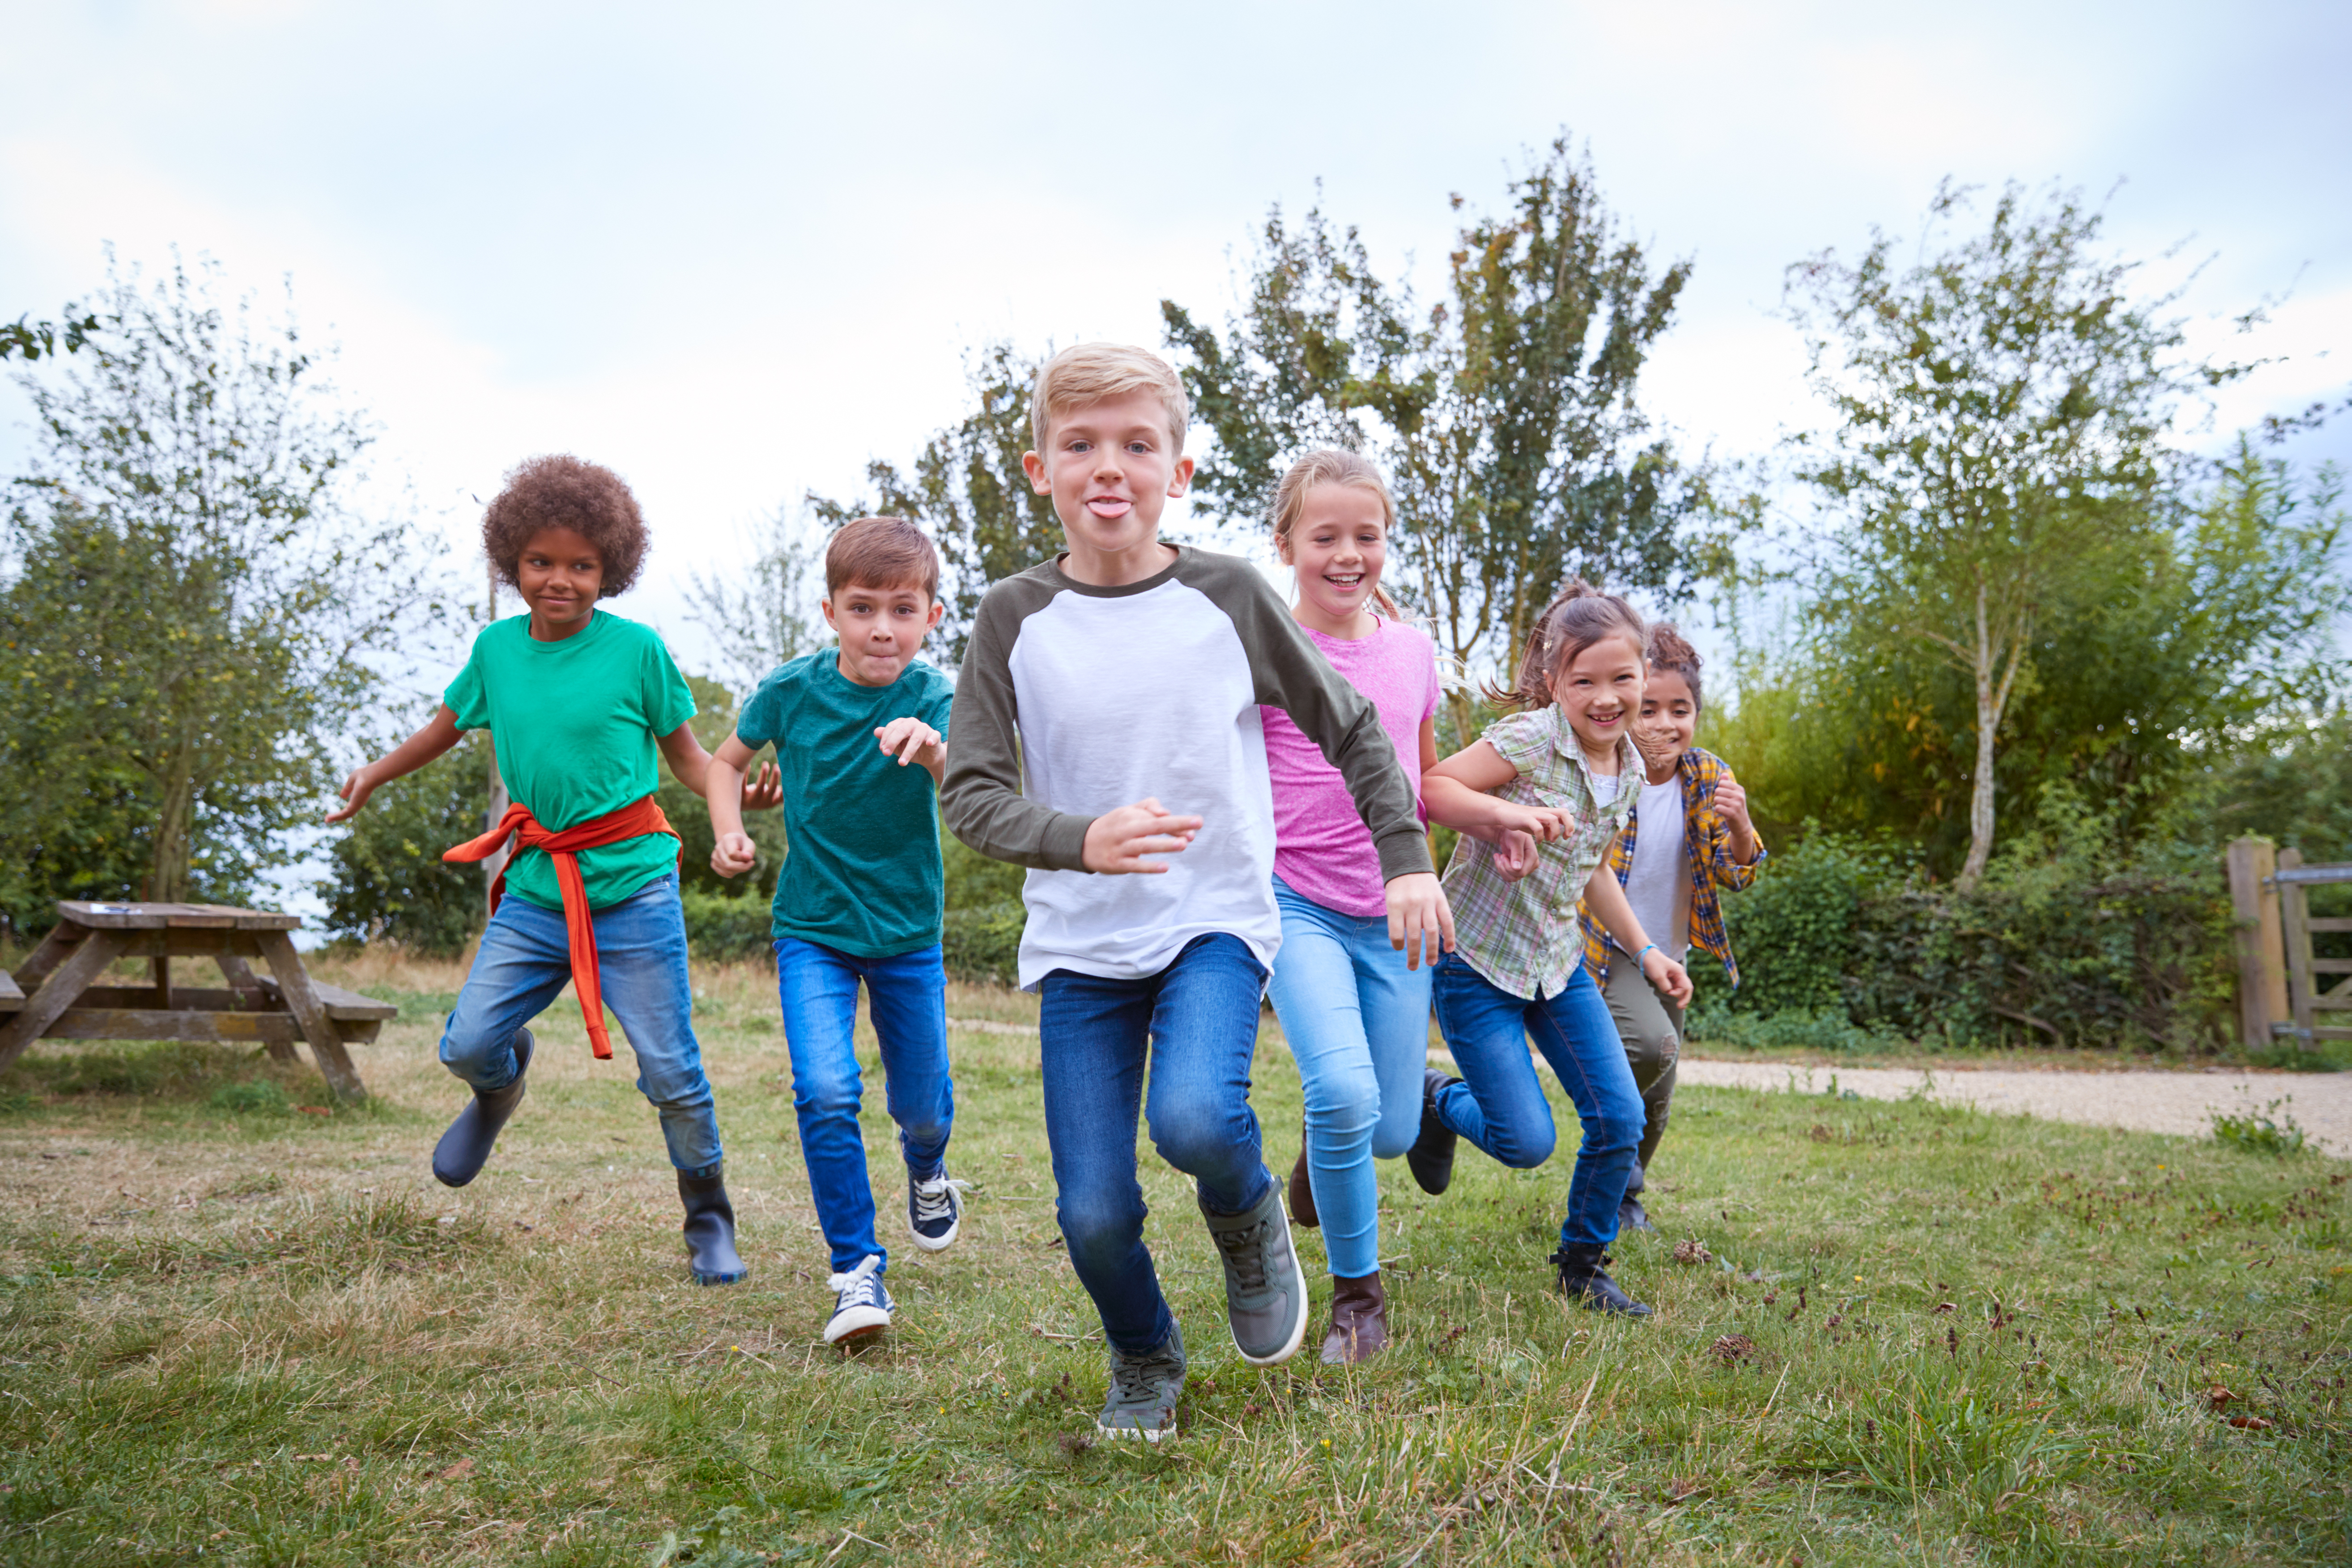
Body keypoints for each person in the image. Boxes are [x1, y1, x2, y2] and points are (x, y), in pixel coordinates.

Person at [940, 344, 1451, 1442]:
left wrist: (1407, 857)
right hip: (1083, 947)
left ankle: (1248, 1211)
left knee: (1193, 1118)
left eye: (1137, 443)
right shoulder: (1010, 617)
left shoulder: (1227, 596)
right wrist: (1080, 837)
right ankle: (1143, 1354)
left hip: (1212, 919)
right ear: (1041, 470)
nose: (1108, 467)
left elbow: (1352, 730)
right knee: (1091, 1212)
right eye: (1080, 445)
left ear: (1178, 469)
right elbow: (973, 796)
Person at [326, 454, 779, 1286]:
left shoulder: (638, 650)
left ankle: (708, 1214)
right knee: (466, 1042)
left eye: (581, 565)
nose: (559, 579)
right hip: (537, 886)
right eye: (541, 561)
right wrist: (373, 774)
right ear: (512, 562)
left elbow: (687, 758)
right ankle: (499, 1090)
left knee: (672, 1070)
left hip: (634, 884)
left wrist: (736, 796)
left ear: (611, 569)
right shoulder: (497, 650)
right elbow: (443, 726)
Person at [704, 516, 964, 1347]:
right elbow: (724, 762)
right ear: (830, 612)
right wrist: (727, 831)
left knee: (921, 1107)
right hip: (811, 926)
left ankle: (927, 1170)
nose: (881, 628)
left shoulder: (934, 697)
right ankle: (855, 1268)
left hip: (906, 930)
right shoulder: (792, 690)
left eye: (902, 609)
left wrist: (931, 752)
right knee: (823, 1088)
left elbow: (975, 785)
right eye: (862, 608)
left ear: (929, 615)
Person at [1414, 579, 1692, 1317]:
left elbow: (1593, 866)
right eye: (1585, 681)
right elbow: (1432, 789)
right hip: (1476, 965)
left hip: (1556, 965)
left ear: (1644, 674)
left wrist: (1644, 953)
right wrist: (1505, 817)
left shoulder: (1629, 765)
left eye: (1622, 679)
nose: (1606, 698)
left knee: (1619, 1117)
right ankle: (1435, 1100)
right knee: (1523, 1141)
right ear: (1552, 682)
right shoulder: (1532, 738)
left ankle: (1582, 1265)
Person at [1257, 449, 1442, 1364]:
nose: (1346, 553)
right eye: (1323, 535)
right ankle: (1357, 1302)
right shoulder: (1261, 652)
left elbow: (1421, 777)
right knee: (1342, 1091)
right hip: (1299, 904)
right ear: (1284, 543)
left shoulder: (1412, 650)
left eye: (1364, 535)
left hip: (1395, 911)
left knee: (1394, 1127)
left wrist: (1493, 824)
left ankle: (1339, 1146)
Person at [1580, 624, 1763, 1236]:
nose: (1664, 722)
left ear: (1695, 714)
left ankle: (1623, 1198)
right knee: (1651, 1049)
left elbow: (1736, 874)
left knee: (1659, 1095)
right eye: (1650, 707)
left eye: (1679, 710)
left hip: (1673, 954)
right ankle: (1611, 1167)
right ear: (1627, 707)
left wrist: (1739, 826)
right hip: (1607, 949)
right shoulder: (1608, 771)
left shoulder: (1706, 778)